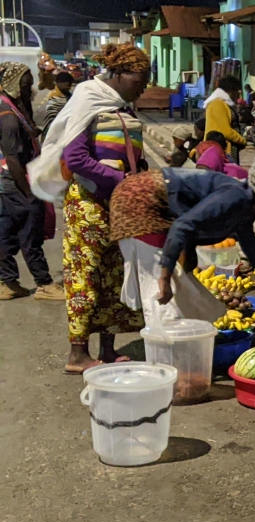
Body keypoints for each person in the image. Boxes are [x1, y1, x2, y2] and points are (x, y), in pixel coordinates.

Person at [28, 43, 150, 373]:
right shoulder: (89, 98)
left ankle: (107, 349)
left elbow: (130, 152)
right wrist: (119, 179)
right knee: (86, 276)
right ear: (121, 74)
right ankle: (77, 354)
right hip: (90, 207)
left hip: (117, 206)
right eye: (140, 77)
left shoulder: (121, 105)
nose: (144, 84)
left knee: (115, 275)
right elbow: (75, 158)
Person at [109, 151, 255, 319]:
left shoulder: (246, 207)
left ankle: (188, 341)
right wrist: (164, 276)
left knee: (186, 292)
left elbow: (252, 250)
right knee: (160, 288)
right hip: (138, 201)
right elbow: (182, 226)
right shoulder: (234, 197)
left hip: (155, 203)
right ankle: (167, 346)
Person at [0, 62, 63, 301]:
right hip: (18, 181)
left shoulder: (12, 107)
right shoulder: (8, 118)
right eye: (26, 84)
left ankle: (7, 282)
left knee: (6, 233)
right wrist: (29, 193)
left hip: (9, 182)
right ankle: (44, 283)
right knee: (30, 235)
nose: (30, 87)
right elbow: (13, 159)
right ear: (15, 84)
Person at [204, 75, 245, 163]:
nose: (238, 96)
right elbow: (226, 131)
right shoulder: (217, 104)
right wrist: (242, 140)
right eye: (237, 92)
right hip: (221, 150)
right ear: (231, 91)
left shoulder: (225, 103)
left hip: (229, 149)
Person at [41, 71, 73, 139]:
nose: (69, 86)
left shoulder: (69, 95)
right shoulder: (54, 97)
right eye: (67, 83)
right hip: (54, 131)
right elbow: (51, 116)